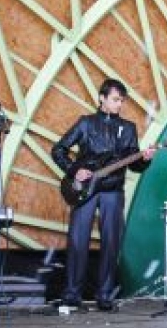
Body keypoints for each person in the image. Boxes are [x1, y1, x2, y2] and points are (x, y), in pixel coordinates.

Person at [51, 78, 155, 311]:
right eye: (116, 99)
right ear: (102, 98)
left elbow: (134, 164)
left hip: (113, 191)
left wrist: (145, 159)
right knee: (78, 242)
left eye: (122, 101)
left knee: (111, 243)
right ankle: (72, 294)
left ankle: (105, 295)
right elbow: (58, 150)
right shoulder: (85, 123)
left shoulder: (128, 128)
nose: (120, 104)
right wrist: (75, 171)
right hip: (84, 190)